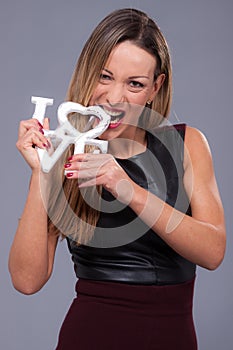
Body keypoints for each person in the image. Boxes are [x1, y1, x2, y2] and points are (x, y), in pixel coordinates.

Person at [9, 8, 226, 350]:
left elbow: (213, 252)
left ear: (156, 87)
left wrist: (128, 189)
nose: (113, 99)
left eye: (135, 84)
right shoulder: (65, 151)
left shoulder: (187, 144)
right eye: (104, 77)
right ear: (87, 73)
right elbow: (26, 280)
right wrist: (42, 172)